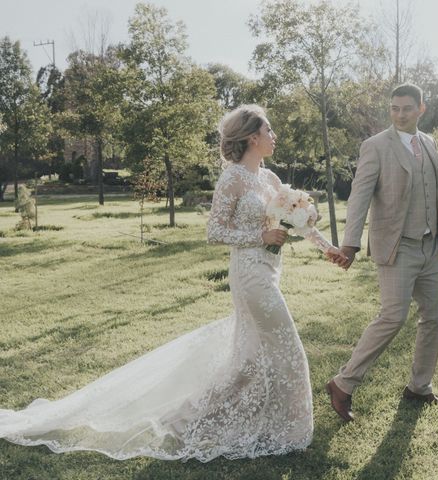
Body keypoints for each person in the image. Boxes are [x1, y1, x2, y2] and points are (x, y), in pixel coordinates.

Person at [0, 104, 345, 461]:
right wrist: (261, 236)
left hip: (271, 271)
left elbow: (299, 221)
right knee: (287, 346)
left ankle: (183, 420)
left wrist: (328, 247)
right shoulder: (233, 178)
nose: (274, 136)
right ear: (252, 137)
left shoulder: (270, 179)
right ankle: (292, 432)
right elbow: (214, 231)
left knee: (247, 359)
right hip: (249, 275)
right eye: (269, 130)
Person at [325, 84, 438, 422]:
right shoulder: (375, 146)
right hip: (396, 246)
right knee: (392, 316)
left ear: (421, 108)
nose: (400, 114)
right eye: (394, 108)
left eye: (406, 108)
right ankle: (342, 384)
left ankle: (419, 387)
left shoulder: (429, 143)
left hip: (429, 247)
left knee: (436, 314)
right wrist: (350, 243)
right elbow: (359, 196)